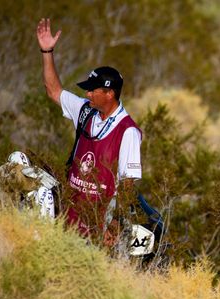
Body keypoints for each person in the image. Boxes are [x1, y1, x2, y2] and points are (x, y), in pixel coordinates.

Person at [36, 18, 142, 242]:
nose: (87, 95)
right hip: (68, 214)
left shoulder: (127, 131)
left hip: (99, 224)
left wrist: (114, 225)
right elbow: (53, 90)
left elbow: (128, 184)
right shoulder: (85, 111)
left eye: (92, 91)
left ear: (109, 94)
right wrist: (47, 52)